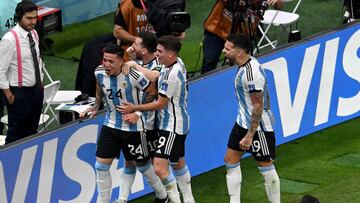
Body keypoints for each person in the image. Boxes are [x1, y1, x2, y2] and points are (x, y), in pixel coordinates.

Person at [80, 44, 167, 203]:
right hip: (111, 124)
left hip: (134, 128)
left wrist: (138, 113)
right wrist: (96, 105)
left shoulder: (132, 75)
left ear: (121, 62)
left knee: (142, 166)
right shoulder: (99, 72)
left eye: (111, 61)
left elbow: (153, 92)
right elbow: (99, 87)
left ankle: (163, 196)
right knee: (100, 167)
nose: (106, 64)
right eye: (104, 60)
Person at [118, 35, 195, 203]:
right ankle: (187, 199)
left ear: (170, 54)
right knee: (176, 161)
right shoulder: (176, 63)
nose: (156, 54)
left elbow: (159, 102)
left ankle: (173, 199)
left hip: (171, 125)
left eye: (159, 52)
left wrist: (135, 109)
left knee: (159, 167)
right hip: (175, 122)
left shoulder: (170, 74)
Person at [222, 34, 280, 203]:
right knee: (230, 160)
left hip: (257, 127)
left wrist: (249, 134)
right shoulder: (243, 65)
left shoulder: (251, 73)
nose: (224, 51)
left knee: (266, 167)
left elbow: (258, 106)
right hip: (242, 122)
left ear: (239, 52)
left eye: (227, 49)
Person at [0, 0, 44, 144]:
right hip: (19, 93)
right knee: (15, 135)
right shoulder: (9, 39)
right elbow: (0, 69)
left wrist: (41, 81)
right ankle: (9, 164)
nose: (33, 22)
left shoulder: (34, 34)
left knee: (32, 131)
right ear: (19, 18)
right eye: (29, 18)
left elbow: (37, 60)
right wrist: (9, 95)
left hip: (36, 91)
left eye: (35, 17)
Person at [201, 0, 284, 74]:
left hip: (240, 35)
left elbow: (279, 6)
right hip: (217, 29)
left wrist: (278, 1)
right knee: (210, 63)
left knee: (238, 65)